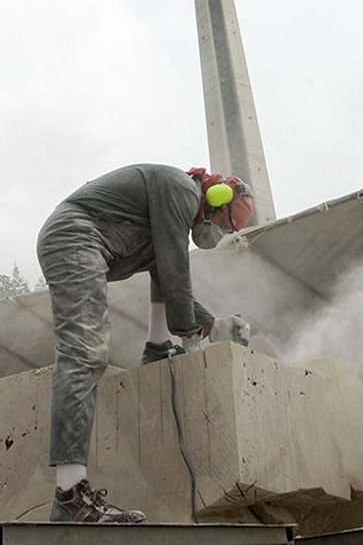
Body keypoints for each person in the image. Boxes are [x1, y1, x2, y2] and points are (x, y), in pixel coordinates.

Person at [37, 164, 254, 523]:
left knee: (162, 257)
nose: (219, 233)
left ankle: (155, 345)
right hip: (75, 237)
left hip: (84, 240)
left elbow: (167, 271)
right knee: (85, 352)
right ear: (216, 198)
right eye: (224, 224)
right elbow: (175, 269)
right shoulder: (181, 189)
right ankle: (69, 497)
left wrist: (211, 325)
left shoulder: (172, 206)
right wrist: (189, 335)